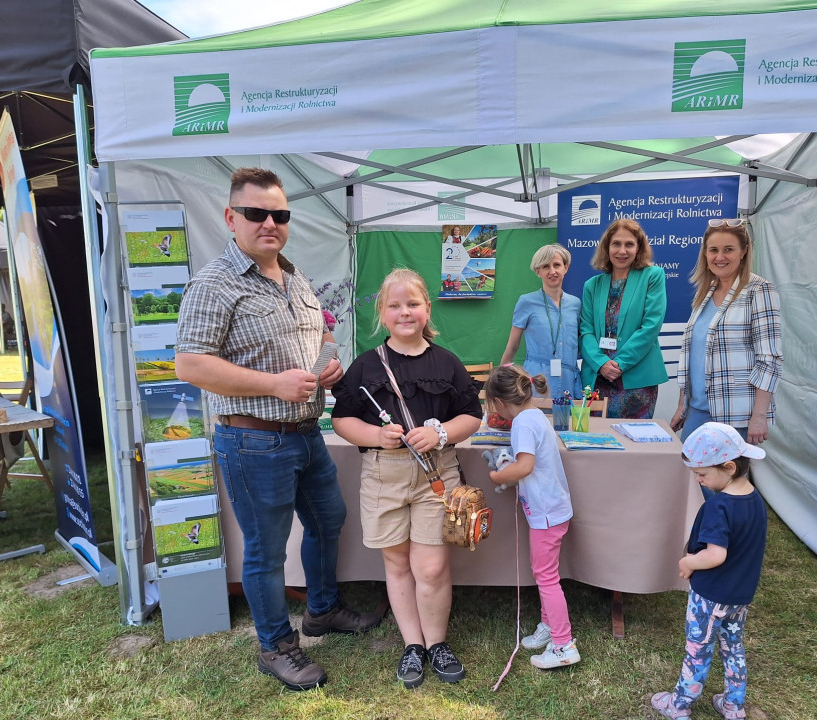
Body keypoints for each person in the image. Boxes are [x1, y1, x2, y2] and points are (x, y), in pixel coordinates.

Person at [175, 167, 377, 693]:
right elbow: (191, 365)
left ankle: (321, 611)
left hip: (306, 433)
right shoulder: (213, 284)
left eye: (280, 214)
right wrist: (272, 383)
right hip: (252, 438)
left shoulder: (295, 278)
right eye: (257, 213)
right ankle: (276, 646)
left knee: (329, 520)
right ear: (230, 217)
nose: (270, 222)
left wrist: (327, 367)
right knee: (266, 549)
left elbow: (315, 344)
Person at [331, 267, 482, 688]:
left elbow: (473, 415)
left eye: (412, 304)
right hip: (384, 475)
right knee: (397, 564)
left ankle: (437, 644)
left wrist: (440, 432)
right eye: (394, 305)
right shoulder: (364, 366)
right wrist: (377, 435)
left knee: (431, 567)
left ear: (426, 309)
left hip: (437, 474)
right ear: (382, 312)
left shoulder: (447, 362)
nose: (404, 312)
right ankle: (412, 645)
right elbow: (342, 420)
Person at [652, 421, 767, 720]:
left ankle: (679, 706)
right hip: (739, 595)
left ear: (728, 466)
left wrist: (689, 562)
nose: (699, 480)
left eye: (702, 474)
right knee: (733, 648)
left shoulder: (720, 507)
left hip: (711, 596)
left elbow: (716, 554)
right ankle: (734, 707)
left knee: (698, 648)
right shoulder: (755, 500)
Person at [485, 365, 580, 670]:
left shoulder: (522, 424)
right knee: (545, 574)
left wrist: (498, 474)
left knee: (546, 578)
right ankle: (550, 626)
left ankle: (563, 644)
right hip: (551, 510)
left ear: (499, 403)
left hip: (546, 515)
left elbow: (524, 466)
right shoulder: (535, 414)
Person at [669, 219, 782, 449]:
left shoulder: (759, 290)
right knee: (692, 480)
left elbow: (769, 358)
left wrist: (759, 416)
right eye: (713, 250)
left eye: (728, 249)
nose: (720, 257)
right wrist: (683, 405)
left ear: (744, 251)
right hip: (697, 412)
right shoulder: (705, 292)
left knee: (726, 483)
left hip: (735, 415)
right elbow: (692, 355)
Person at [579, 219, 668, 418]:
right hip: (598, 379)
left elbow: (651, 326)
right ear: (607, 247)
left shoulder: (653, 276)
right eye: (616, 244)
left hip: (637, 380)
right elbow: (586, 330)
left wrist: (619, 364)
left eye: (629, 244)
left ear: (638, 248)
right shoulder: (591, 285)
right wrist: (601, 363)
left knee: (633, 445)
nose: (622, 251)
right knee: (595, 445)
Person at [500, 244, 582, 397]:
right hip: (537, 379)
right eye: (546, 266)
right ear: (538, 272)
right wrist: (501, 378)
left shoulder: (576, 304)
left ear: (566, 267)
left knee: (569, 421)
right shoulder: (526, 302)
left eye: (557, 265)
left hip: (569, 381)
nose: (552, 271)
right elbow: (513, 346)